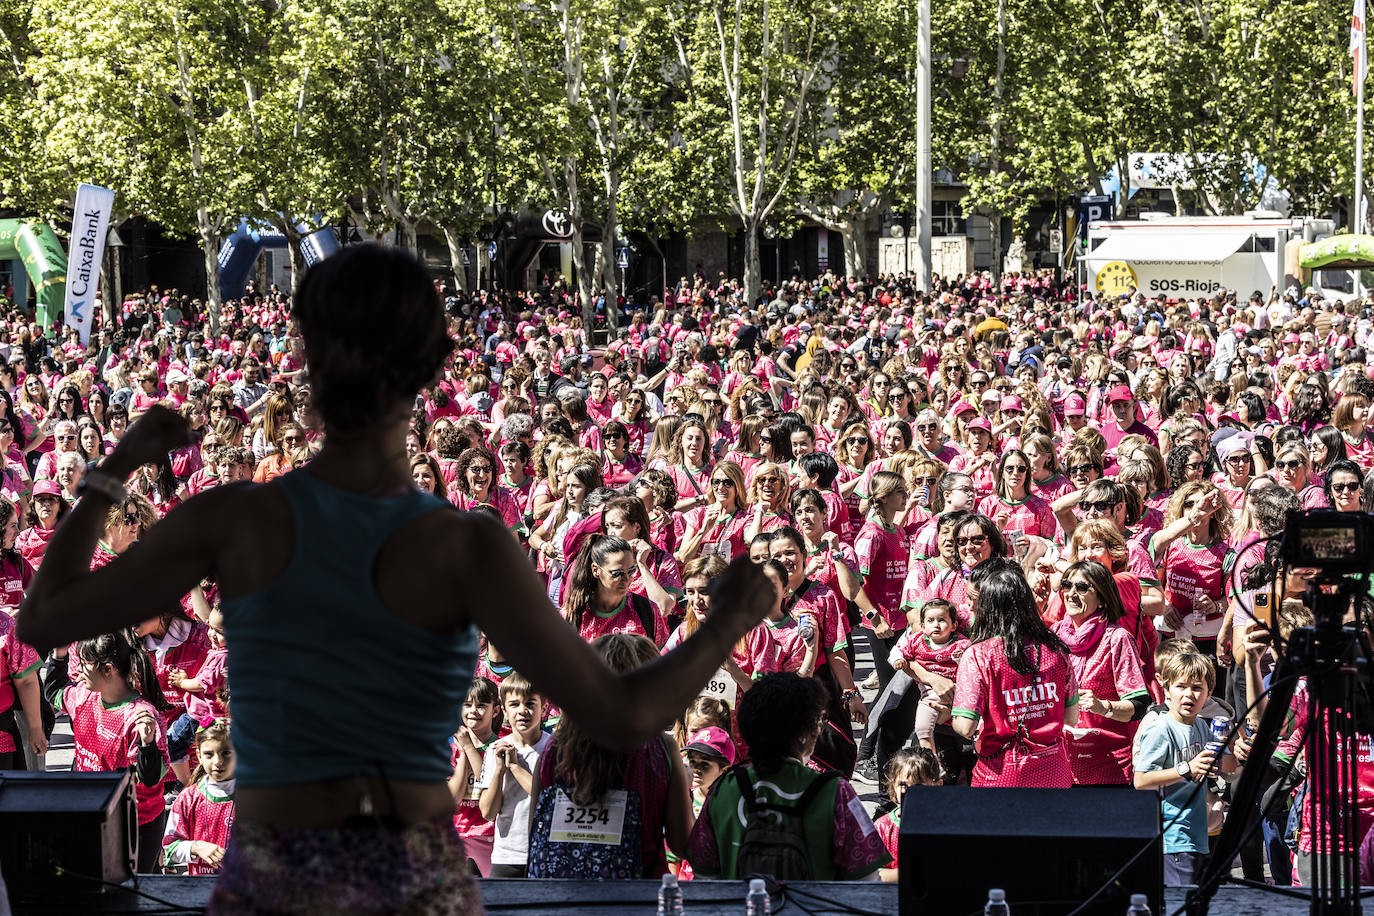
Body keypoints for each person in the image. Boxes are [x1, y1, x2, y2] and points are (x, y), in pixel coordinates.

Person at [18, 245, 774, 914]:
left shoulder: (235, 521)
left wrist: (117, 467)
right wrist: (728, 619)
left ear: (308, 357)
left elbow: (44, 617)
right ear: (431, 364)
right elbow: (620, 714)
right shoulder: (464, 545)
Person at [686, 672, 889, 881]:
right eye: (818, 721)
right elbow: (867, 880)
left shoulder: (723, 790)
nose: (819, 729)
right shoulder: (837, 792)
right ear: (805, 734)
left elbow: (704, 875)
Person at [526, 633, 693, 879]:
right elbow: (682, 845)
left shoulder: (553, 749)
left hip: (562, 896)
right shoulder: (661, 749)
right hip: (636, 896)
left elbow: (535, 833)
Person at [42, 632, 172, 873]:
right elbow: (53, 691)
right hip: (89, 814)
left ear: (109, 669)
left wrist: (147, 744)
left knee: (135, 894)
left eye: (84, 664)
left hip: (135, 825)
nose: (78, 671)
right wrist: (58, 655)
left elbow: (151, 778)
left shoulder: (140, 717)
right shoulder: (83, 696)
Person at [951, 559, 1079, 788]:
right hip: (1054, 773)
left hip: (1000, 775)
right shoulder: (1057, 649)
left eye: (975, 601)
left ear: (987, 607)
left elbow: (964, 726)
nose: (970, 607)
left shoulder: (979, 655)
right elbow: (1071, 718)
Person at [1133, 650, 1234, 886]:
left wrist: (1222, 757)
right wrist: (1186, 768)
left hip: (1195, 833)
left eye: (1197, 688)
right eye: (1181, 686)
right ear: (1167, 690)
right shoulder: (1161, 729)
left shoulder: (1201, 725)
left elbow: (1229, 765)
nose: (1189, 694)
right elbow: (1141, 780)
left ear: (1209, 694)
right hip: (1171, 836)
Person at [479, 674, 552, 878]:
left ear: (544, 709)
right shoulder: (495, 749)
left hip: (544, 853)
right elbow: (488, 812)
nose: (522, 710)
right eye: (514, 704)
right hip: (507, 856)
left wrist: (515, 768)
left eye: (530, 703)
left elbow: (548, 799)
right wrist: (499, 771)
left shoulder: (553, 749)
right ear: (504, 711)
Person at [163, 718, 237, 875]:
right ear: (199, 755)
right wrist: (196, 847)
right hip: (200, 889)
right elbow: (169, 848)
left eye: (226, 753)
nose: (218, 762)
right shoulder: (188, 798)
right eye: (209, 754)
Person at [449, 677, 500, 877]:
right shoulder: (452, 749)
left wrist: (469, 748)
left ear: (495, 710)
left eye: (481, 706)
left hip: (490, 837)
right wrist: (463, 754)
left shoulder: (501, 746)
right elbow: (451, 800)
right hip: (458, 836)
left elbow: (488, 784)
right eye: (467, 705)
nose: (473, 711)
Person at [874, 747, 940, 883]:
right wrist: (912, 874)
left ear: (937, 785)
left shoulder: (944, 824)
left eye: (918, 786)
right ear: (893, 786)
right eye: (903, 785)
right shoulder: (882, 827)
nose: (909, 792)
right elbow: (872, 874)